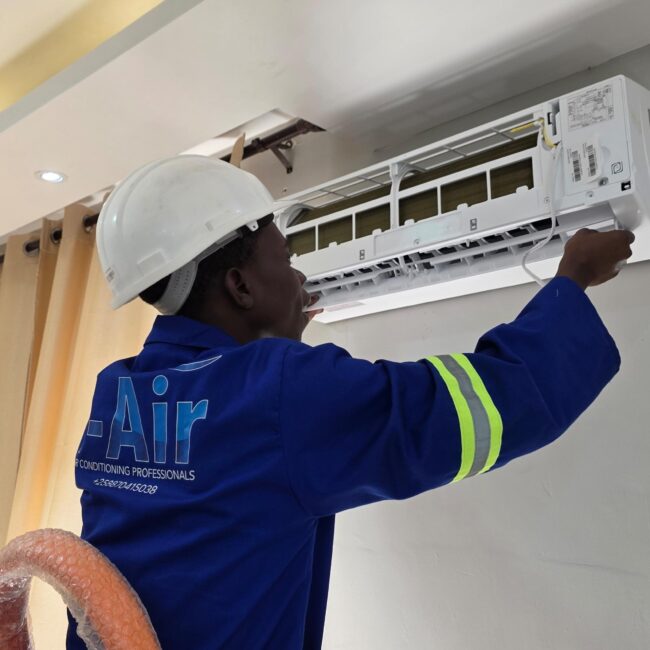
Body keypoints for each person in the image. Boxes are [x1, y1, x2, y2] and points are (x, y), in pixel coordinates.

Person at [67, 155, 634, 649]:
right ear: (240, 286)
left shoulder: (117, 391)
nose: (298, 275)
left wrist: (269, 353)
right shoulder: (282, 389)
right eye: (285, 257)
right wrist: (573, 279)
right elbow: (486, 404)